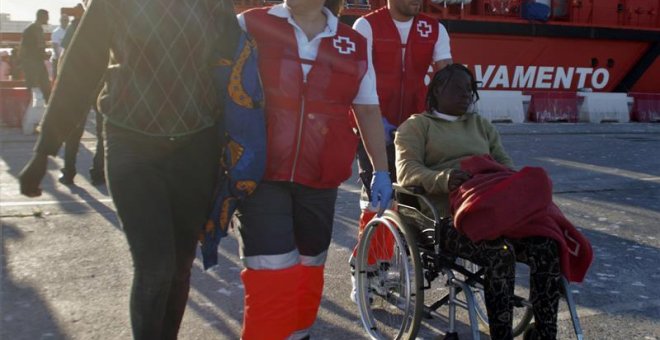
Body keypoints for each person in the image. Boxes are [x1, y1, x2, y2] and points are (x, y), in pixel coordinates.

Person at [18, 0, 241, 338]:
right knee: (155, 267)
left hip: (195, 148)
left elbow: (233, 59)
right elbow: (80, 70)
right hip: (132, 145)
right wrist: (44, 151)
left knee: (180, 267)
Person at [235, 1, 393, 339]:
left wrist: (382, 171)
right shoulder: (250, 24)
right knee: (270, 271)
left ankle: (299, 334)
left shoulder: (354, 43)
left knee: (310, 266)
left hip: (322, 175)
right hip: (261, 173)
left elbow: (367, 110)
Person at [395, 64, 569, 340]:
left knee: (547, 246)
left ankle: (545, 332)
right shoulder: (417, 126)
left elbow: (505, 167)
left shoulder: (481, 125)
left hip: (492, 208)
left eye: (471, 89)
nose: (467, 94)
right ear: (438, 90)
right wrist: (443, 179)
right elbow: (407, 172)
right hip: (448, 216)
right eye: (460, 88)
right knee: (499, 253)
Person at [349, 0, 453, 301]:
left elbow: (446, 76)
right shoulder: (366, 26)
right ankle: (364, 272)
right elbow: (358, 78)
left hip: (414, 129)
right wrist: (368, 120)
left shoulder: (435, 29)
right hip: (372, 124)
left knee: (407, 203)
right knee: (375, 202)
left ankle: (384, 265)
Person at [55, 3, 105, 186]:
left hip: (78, 84)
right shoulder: (110, 23)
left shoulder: (78, 24)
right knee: (102, 132)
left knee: (73, 132)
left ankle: (69, 173)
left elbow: (64, 56)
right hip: (101, 83)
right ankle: (98, 173)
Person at [20, 9, 51, 103]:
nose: (48, 19)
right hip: (32, 63)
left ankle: (45, 107)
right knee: (34, 87)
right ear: (42, 17)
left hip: (38, 62)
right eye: (47, 17)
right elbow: (27, 48)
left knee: (45, 87)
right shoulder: (31, 30)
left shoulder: (37, 29)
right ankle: (31, 109)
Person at [50, 15, 69, 80]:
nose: (65, 22)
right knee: (56, 79)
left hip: (67, 59)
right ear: (60, 21)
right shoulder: (56, 32)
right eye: (64, 20)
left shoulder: (69, 32)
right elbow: (55, 46)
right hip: (57, 59)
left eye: (66, 20)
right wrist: (59, 59)